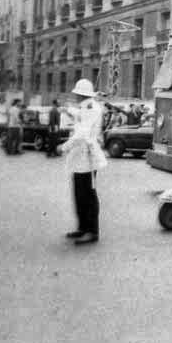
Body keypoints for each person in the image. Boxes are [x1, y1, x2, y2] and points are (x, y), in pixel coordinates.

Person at [58, 79, 106, 245]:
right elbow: (79, 114)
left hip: (88, 157)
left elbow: (82, 133)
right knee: (79, 194)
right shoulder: (86, 106)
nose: (75, 96)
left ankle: (92, 231)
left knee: (88, 195)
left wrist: (64, 147)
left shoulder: (91, 108)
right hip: (80, 157)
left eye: (77, 94)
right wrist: (68, 110)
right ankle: (82, 227)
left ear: (81, 94)